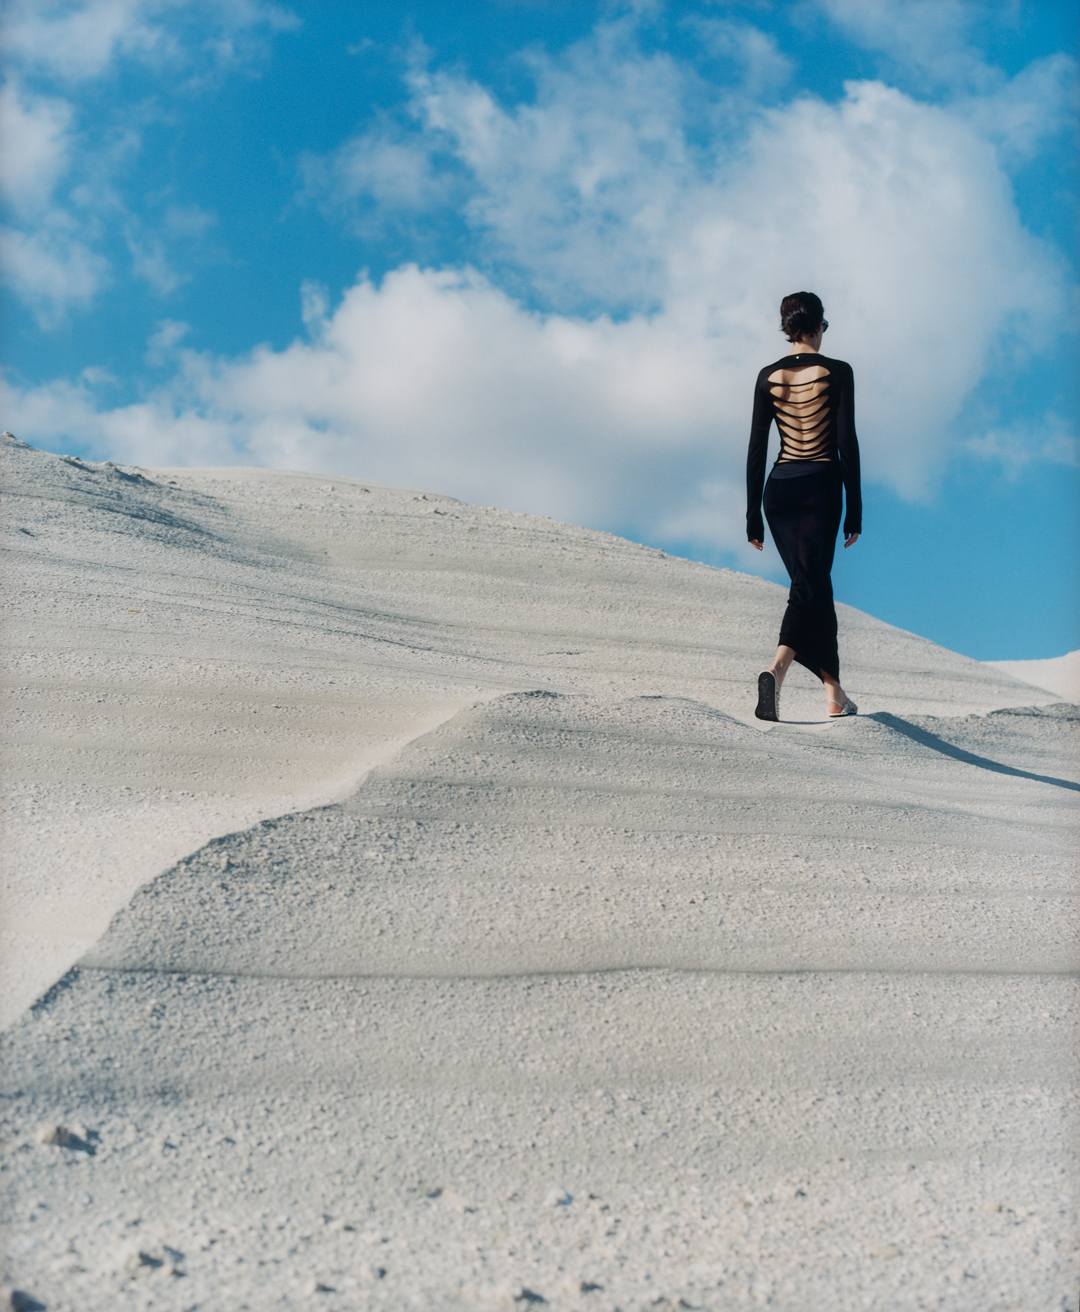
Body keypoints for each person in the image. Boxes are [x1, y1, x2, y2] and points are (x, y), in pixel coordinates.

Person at [746, 291, 861, 722]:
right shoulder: (837, 371)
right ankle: (775, 672)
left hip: (777, 492)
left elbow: (756, 449)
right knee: (808, 586)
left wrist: (752, 515)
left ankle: (835, 694)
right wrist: (855, 509)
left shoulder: (767, 376)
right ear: (817, 326)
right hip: (819, 487)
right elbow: (846, 442)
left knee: (813, 585)